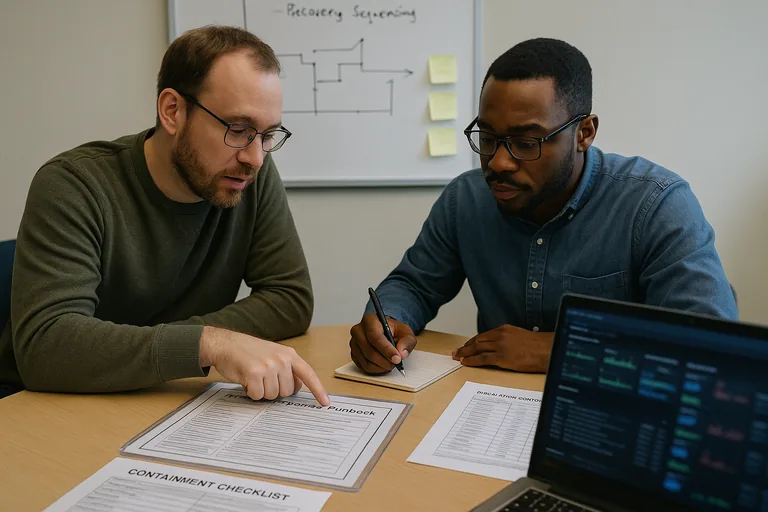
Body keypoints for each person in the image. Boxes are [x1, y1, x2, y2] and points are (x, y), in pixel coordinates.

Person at [349, 38, 737, 375]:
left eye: (526, 142)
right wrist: (387, 322)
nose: (498, 162)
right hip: (487, 411)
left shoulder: (655, 205)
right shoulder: (465, 199)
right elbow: (413, 284)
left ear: (584, 133)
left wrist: (561, 349)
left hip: (610, 415)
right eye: (488, 137)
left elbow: (709, 344)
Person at [0, 26, 329, 405]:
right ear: (173, 111)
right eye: (238, 129)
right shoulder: (73, 184)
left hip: (170, 397)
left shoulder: (249, 175)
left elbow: (290, 298)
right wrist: (207, 344)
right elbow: (46, 346)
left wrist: (173, 347)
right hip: (45, 405)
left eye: (267, 134)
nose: (255, 157)